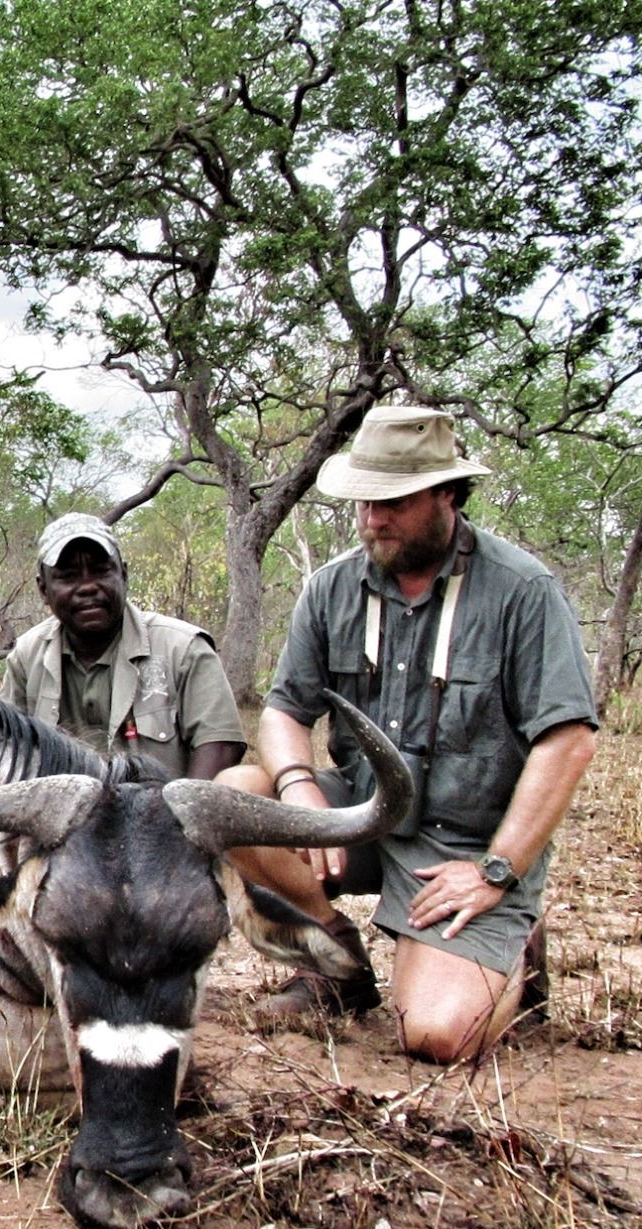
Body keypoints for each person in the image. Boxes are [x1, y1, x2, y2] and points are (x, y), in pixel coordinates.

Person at [220, 405, 597, 1062]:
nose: (373, 519)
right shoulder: (331, 588)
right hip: (360, 817)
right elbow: (283, 711)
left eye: (393, 502)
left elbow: (568, 741)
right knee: (232, 796)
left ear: (447, 494)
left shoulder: (522, 591)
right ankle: (336, 965)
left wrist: (496, 870)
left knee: (437, 1035)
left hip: (464, 845)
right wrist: (300, 788)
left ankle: (514, 946)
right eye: (364, 502)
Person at [1, 513, 245, 780]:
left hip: (162, 802)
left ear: (124, 575)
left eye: (101, 571)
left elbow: (221, 747)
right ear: (43, 590)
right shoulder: (25, 658)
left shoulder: (183, 648)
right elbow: (3, 750)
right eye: (68, 576)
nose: (87, 587)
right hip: (60, 805)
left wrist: (179, 807)